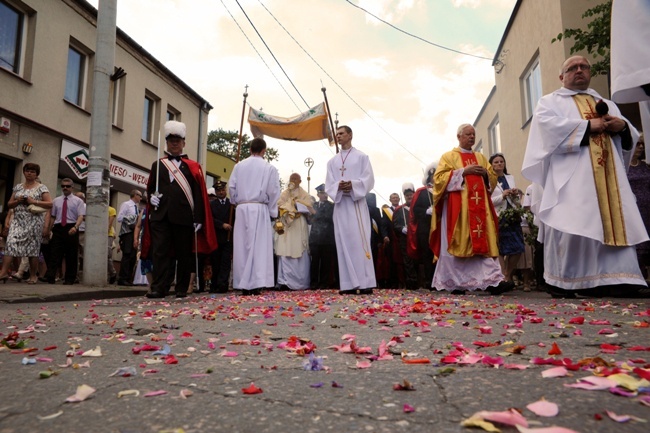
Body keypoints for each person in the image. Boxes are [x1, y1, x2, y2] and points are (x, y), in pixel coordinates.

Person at [522, 55, 648, 298]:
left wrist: (621, 127)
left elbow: (629, 133)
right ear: (562, 77)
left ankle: (621, 280)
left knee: (614, 220)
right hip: (572, 178)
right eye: (572, 68)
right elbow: (546, 130)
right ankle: (569, 281)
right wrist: (589, 126)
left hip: (609, 178)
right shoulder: (549, 102)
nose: (579, 70)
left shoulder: (607, 103)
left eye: (583, 67)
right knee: (574, 222)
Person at [430, 124, 512, 295]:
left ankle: (493, 282)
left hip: (480, 211)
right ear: (459, 136)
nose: (472, 137)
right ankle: (455, 283)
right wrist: (462, 172)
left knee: (483, 246)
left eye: (473, 134)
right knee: (460, 245)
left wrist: (486, 175)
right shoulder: (448, 157)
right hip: (459, 211)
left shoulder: (480, 157)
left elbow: (492, 180)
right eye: (468, 134)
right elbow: (438, 180)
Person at [144, 120, 217, 298]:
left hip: (184, 216)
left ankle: (182, 288)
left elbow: (199, 194)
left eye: (177, 140)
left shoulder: (192, 167)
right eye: (171, 140)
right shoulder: (158, 164)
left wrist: (198, 218)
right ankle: (159, 287)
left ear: (184, 143)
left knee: (183, 254)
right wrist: (151, 198)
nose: (174, 143)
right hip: (161, 216)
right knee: (159, 252)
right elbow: (151, 188)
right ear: (167, 143)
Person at [325, 125, 376, 295]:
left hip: (356, 204)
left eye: (341, 133)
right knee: (343, 242)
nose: (338, 137)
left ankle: (365, 283)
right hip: (341, 205)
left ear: (350, 135)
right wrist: (339, 186)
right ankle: (347, 284)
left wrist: (352, 185)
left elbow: (368, 179)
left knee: (359, 241)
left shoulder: (362, 157)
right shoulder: (332, 162)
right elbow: (328, 184)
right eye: (336, 134)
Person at [229, 137, 281, 295]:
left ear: (250, 149)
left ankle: (244, 283)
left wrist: (236, 201)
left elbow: (231, 187)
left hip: (242, 208)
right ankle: (256, 283)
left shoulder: (239, 166)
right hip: (259, 209)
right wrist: (273, 211)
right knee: (258, 246)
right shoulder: (269, 168)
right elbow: (273, 191)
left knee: (242, 246)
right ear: (264, 151)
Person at [0, 163, 52, 284]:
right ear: (24, 172)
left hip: (34, 221)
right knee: (11, 243)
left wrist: (33, 201)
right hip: (18, 221)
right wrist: (18, 201)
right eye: (27, 171)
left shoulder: (42, 187)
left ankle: (33, 275)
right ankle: (3, 273)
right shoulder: (18, 187)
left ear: (36, 174)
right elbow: (9, 204)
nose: (30, 173)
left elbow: (49, 204)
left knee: (32, 249)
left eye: (33, 171)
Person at [489, 153, 525, 285]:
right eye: (496, 162)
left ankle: (508, 274)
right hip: (499, 217)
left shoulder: (510, 178)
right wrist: (502, 196)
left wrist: (516, 194)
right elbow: (487, 201)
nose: (499, 164)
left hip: (513, 215)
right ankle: (502, 277)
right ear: (491, 165)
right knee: (500, 248)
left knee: (518, 247)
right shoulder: (489, 181)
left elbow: (516, 200)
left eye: (501, 162)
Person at [275, 173, 314, 290]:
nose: (293, 180)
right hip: (287, 224)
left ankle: (300, 282)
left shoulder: (304, 194)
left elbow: (309, 206)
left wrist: (298, 206)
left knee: (300, 250)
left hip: (298, 224)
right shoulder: (284, 193)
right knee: (284, 250)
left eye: (295, 179)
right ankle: (284, 281)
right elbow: (279, 204)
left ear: (300, 181)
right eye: (291, 178)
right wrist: (290, 206)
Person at [44, 178, 84, 285]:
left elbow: (81, 216)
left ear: (72, 187)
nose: (65, 188)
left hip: (71, 227)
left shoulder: (78, 201)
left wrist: (75, 227)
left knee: (71, 254)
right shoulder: (56, 200)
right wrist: (48, 229)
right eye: (63, 186)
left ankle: (69, 278)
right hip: (58, 228)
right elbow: (53, 216)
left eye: (67, 186)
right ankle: (51, 276)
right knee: (54, 252)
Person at [408, 162, 436, 289]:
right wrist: (426, 211)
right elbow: (415, 210)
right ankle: (430, 281)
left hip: (440, 228)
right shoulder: (421, 192)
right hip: (425, 229)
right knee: (427, 255)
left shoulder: (442, 190)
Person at [627, 134, 650, 281]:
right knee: (636, 239)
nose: (641, 147)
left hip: (647, 207)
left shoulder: (646, 166)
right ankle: (637, 275)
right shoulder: (623, 166)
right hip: (633, 207)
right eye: (638, 144)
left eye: (642, 144)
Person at [309, 184, 337, 289]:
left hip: (327, 238)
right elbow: (309, 220)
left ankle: (324, 283)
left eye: (325, 193)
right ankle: (313, 283)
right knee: (314, 261)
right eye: (322, 193)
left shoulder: (331, 206)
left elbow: (328, 217)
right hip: (315, 238)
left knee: (326, 262)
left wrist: (314, 214)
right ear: (318, 194)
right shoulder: (313, 205)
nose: (324, 195)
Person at [209, 180, 234, 293]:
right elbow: (210, 219)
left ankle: (223, 284)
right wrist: (222, 225)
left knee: (225, 262)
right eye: (218, 190)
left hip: (228, 238)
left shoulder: (231, 204)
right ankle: (214, 284)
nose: (221, 192)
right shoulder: (212, 205)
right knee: (216, 262)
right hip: (216, 237)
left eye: (223, 190)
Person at [393, 182, 417, 290]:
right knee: (408, 262)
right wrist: (402, 228)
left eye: (410, 194)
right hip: (405, 240)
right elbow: (395, 224)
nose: (409, 196)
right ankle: (411, 283)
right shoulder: (399, 210)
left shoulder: (417, 207)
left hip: (417, 238)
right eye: (407, 195)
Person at [116, 189, 142, 286]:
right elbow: (119, 218)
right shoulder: (126, 204)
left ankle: (128, 278)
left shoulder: (136, 207)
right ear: (135, 195)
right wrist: (131, 220)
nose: (140, 198)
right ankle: (122, 278)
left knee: (132, 256)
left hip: (134, 232)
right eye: (139, 195)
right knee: (127, 255)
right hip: (127, 233)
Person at [107, 203, 117, 284]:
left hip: (108, 235)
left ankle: (113, 273)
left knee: (107, 255)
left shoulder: (111, 209)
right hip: (96, 235)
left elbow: (109, 224)